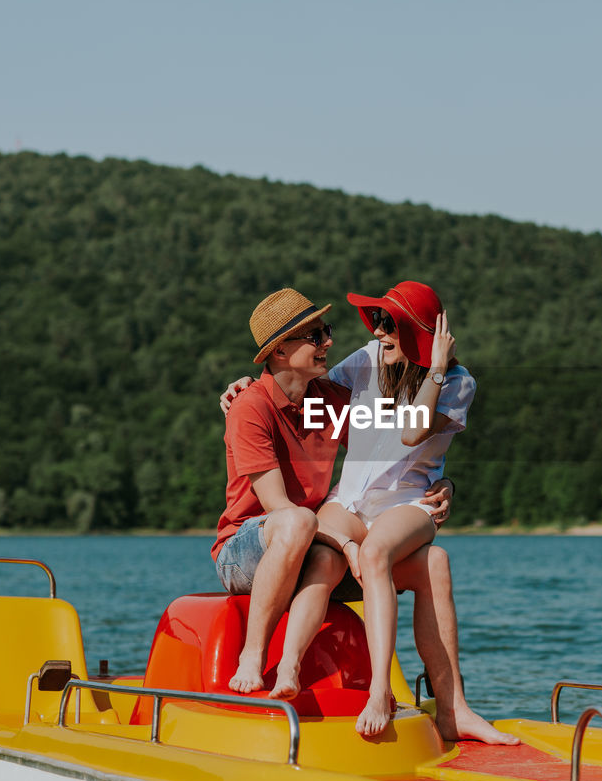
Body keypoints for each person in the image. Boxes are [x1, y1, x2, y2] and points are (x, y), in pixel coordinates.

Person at [216, 286, 515, 744]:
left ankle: (450, 707)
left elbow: (411, 433)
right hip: (256, 542)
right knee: (315, 532)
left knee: (432, 563)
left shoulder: (333, 397)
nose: (330, 343)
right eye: (315, 336)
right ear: (279, 350)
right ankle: (257, 658)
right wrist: (244, 387)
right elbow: (282, 506)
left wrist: (447, 482)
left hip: (350, 521)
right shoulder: (258, 404)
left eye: (387, 322)